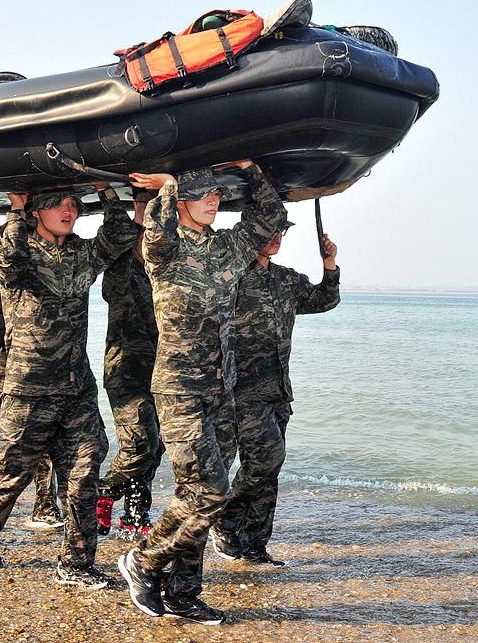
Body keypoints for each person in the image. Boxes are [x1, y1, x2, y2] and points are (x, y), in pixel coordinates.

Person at [119, 162, 286, 625]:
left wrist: (251, 170)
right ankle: (144, 560)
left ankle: (183, 592)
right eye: (201, 193)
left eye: (215, 192)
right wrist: (169, 188)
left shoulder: (230, 249)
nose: (213, 199)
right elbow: (154, 231)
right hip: (179, 388)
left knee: (198, 494)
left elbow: (270, 216)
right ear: (180, 202)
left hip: (222, 390)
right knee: (209, 491)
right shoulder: (166, 250)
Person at [0, 187, 137, 588]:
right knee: (7, 477)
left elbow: (122, 234)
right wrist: (16, 211)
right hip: (28, 389)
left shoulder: (83, 254)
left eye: (74, 205)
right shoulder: (19, 253)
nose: (69, 210)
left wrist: (106, 191)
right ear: (38, 212)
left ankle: (76, 563)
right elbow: (6, 262)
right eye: (59, 204)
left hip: (77, 388)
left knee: (84, 474)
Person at [215, 224, 340, 566]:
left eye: (281, 231)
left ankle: (255, 543)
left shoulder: (286, 279)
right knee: (264, 461)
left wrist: (329, 264)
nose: (276, 237)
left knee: (271, 470)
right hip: (242, 390)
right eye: (268, 230)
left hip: (279, 390)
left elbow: (325, 299)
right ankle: (222, 518)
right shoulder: (232, 276)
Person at [0, 264, 62, 528]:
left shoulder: (50, 268)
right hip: (3, 364)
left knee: (46, 430)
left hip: (44, 364)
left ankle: (44, 505)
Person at [96, 192, 164, 542]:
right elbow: (125, 234)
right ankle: (102, 493)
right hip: (125, 371)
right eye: (144, 235)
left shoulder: (165, 274)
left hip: (163, 373)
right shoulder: (120, 270)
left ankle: (136, 514)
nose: (149, 239)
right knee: (140, 444)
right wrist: (137, 211)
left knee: (157, 447)